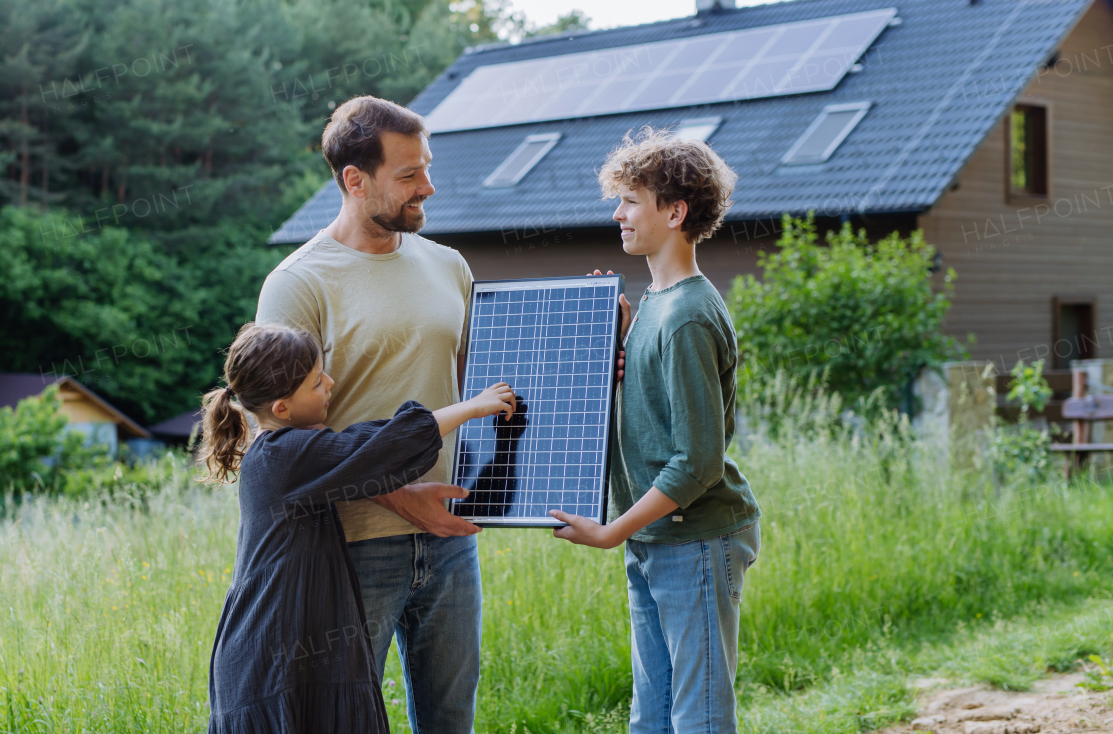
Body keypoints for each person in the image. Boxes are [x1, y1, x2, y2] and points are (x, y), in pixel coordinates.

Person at [256, 96, 484, 734]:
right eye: (408, 175)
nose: (428, 187)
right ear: (354, 180)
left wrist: (603, 344)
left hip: (448, 540)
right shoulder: (298, 284)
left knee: (452, 722)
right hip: (350, 545)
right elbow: (281, 441)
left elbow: (501, 378)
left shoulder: (449, 266)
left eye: (427, 168)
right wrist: (399, 494)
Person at [198, 322, 516, 733]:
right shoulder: (285, 455)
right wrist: (473, 406)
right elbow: (377, 445)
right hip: (273, 655)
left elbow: (363, 461)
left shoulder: (281, 448)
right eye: (316, 382)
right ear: (282, 408)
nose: (330, 383)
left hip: (283, 644)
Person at [549, 127, 763, 734]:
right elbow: (652, 407)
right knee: (653, 717)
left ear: (675, 211)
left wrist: (614, 530)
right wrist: (616, 340)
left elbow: (697, 461)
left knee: (697, 718)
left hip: (696, 538)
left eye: (631, 201)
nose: (617, 215)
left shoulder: (689, 313)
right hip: (658, 537)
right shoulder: (653, 302)